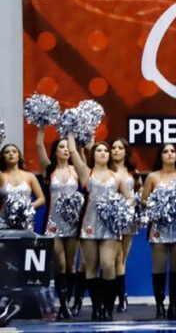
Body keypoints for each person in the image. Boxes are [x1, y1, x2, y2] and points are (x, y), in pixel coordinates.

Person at [68, 135, 132, 321]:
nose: (103, 153)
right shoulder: (86, 173)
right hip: (89, 225)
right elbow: (73, 151)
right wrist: (71, 132)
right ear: (93, 154)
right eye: (99, 150)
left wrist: (121, 208)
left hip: (110, 227)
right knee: (91, 267)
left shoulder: (117, 177)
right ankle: (97, 308)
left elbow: (129, 199)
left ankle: (108, 308)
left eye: (106, 150)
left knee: (107, 264)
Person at [142, 143, 176, 320]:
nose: (170, 154)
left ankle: (173, 306)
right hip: (159, 226)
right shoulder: (152, 177)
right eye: (166, 151)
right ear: (160, 156)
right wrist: (158, 205)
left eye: (173, 151)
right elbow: (143, 200)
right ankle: (159, 307)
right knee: (158, 266)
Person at [37, 130, 80, 320]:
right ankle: (62, 304)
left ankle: (67, 304)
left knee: (71, 264)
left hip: (73, 222)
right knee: (60, 264)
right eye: (61, 147)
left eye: (67, 147)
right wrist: (41, 128)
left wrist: (74, 134)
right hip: (53, 222)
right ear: (55, 151)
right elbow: (39, 146)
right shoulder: (49, 169)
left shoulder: (76, 170)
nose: (65, 150)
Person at [110, 138, 142, 313]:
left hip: (128, 219)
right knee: (112, 258)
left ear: (126, 151)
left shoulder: (133, 173)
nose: (116, 150)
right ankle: (118, 297)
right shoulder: (106, 170)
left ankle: (121, 296)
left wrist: (135, 204)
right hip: (109, 219)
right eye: (113, 147)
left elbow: (140, 193)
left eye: (120, 148)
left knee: (121, 259)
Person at [0, 144, 45, 231]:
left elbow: (41, 199)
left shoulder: (29, 176)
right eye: (7, 152)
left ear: (19, 156)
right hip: (4, 222)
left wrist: (27, 207)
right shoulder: (1, 177)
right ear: (3, 157)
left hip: (25, 221)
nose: (11, 154)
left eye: (14, 151)